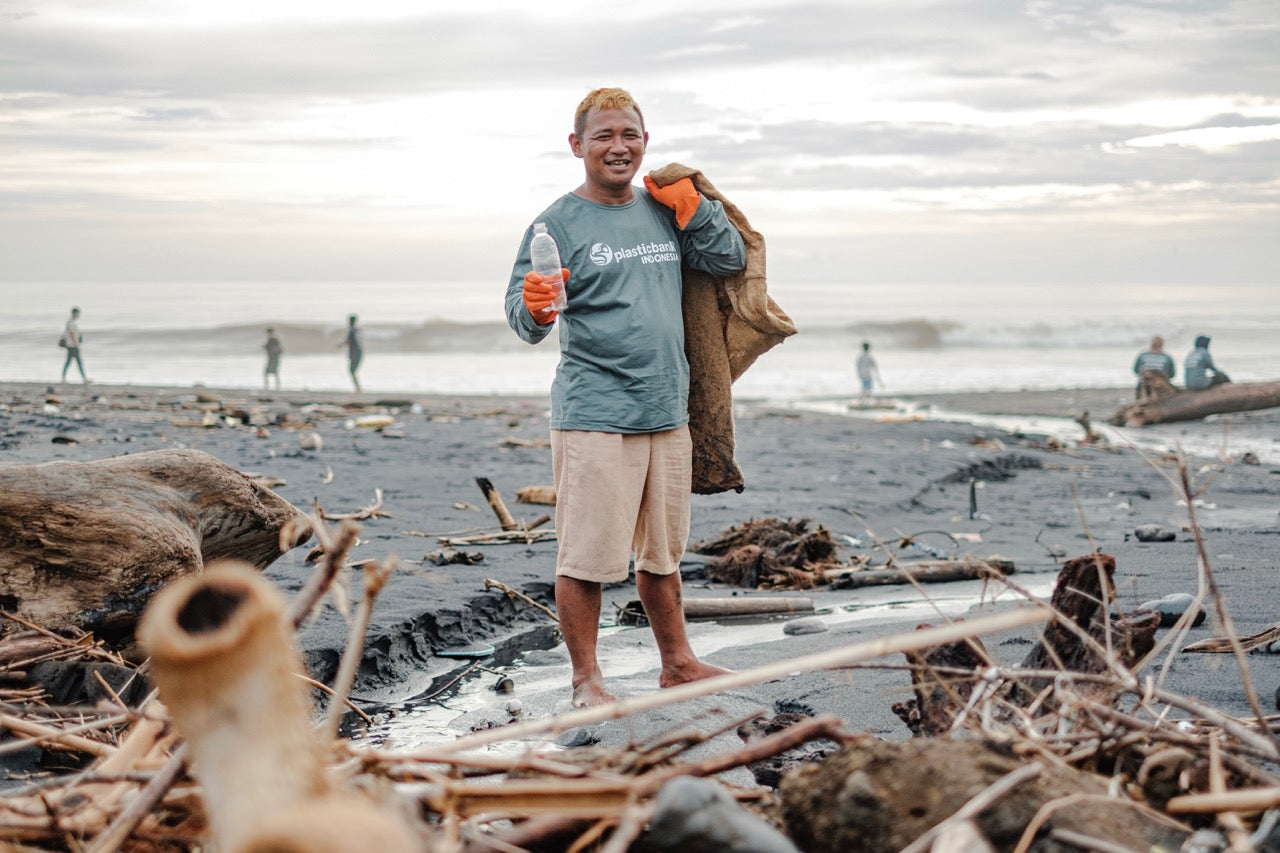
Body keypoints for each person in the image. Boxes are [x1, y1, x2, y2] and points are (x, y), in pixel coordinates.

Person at [504, 87, 743, 708]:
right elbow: (526, 321)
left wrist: (699, 208)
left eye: (629, 135)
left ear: (646, 142)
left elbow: (727, 258)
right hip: (595, 412)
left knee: (662, 554)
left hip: (667, 408)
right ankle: (587, 680)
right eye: (604, 136)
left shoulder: (663, 209)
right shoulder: (555, 224)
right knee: (585, 556)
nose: (618, 147)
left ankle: (679, 664)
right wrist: (534, 305)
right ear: (577, 145)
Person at [60, 306, 88, 383]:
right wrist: (76, 343)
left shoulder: (70, 322)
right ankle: (84, 378)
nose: (78, 315)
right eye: (77, 313)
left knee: (69, 362)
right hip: (73, 346)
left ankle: (63, 378)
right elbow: (71, 334)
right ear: (74, 313)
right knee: (78, 362)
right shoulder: (71, 323)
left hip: (71, 345)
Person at [339, 314, 362, 393]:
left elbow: (350, 341)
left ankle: (358, 388)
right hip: (358, 352)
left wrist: (340, 345)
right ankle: (357, 388)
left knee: (352, 371)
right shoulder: (357, 330)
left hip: (355, 352)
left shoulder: (352, 331)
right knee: (352, 371)